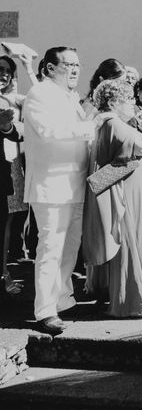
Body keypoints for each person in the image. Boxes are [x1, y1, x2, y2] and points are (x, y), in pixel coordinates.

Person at [23, 46, 108, 335]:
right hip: (51, 184)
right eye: (68, 65)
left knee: (71, 246)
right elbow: (48, 131)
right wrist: (89, 128)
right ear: (48, 68)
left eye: (77, 64)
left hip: (76, 182)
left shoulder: (70, 97)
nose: (75, 70)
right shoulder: (39, 94)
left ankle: (63, 298)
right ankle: (45, 310)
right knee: (50, 247)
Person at [82, 80, 142, 318]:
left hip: (133, 188)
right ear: (113, 102)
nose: (133, 104)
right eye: (128, 100)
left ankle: (137, 296)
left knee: (137, 239)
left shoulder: (114, 123)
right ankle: (131, 301)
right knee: (134, 240)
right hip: (128, 193)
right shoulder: (112, 122)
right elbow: (140, 148)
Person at [0, 55, 26, 297]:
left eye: (8, 70)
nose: (3, 74)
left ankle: (3, 272)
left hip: (7, 169)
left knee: (6, 224)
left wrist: (7, 127)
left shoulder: (13, 101)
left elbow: (18, 133)